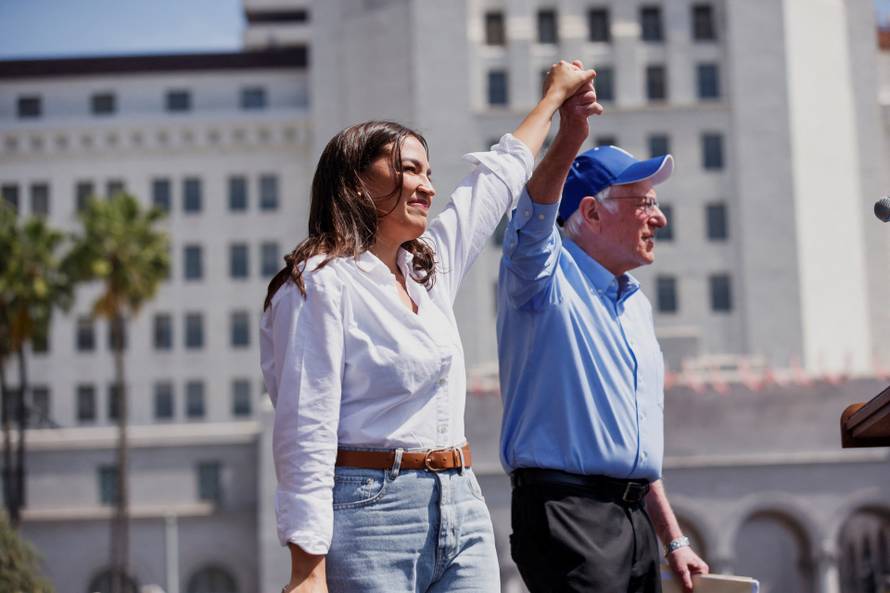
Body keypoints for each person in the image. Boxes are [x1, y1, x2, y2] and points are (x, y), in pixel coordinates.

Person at [260, 61, 601, 593]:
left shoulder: (426, 272)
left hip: (461, 502)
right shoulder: (319, 284)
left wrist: (555, 106)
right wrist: (307, 569)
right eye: (409, 170)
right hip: (370, 512)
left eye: (428, 172)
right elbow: (305, 429)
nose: (426, 186)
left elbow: (496, 179)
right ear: (354, 180)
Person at [497, 142, 710, 593]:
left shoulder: (637, 306)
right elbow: (533, 216)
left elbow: (635, 449)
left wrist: (673, 538)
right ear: (591, 213)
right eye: (646, 203)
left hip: (634, 521)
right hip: (568, 511)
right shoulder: (542, 280)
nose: (659, 218)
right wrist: (571, 132)